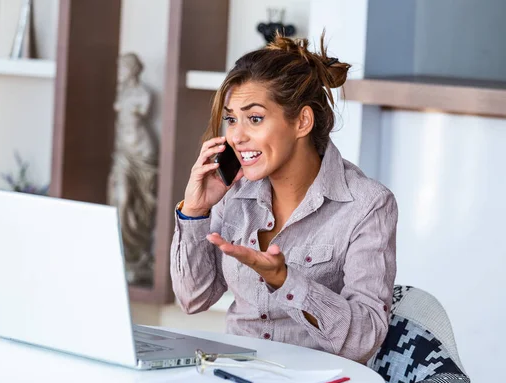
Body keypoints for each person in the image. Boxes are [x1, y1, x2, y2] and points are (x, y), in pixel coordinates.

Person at [169, 34, 398, 364]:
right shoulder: (232, 192)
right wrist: (195, 210)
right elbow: (193, 298)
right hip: (237, 379)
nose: (237, 135)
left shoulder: (367, 204)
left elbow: (365, 338)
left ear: (302, 121)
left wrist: (286, 280)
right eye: (232, 119)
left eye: (255, 118)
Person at [108, 53, 159, 284]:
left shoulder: (143, 95)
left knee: (142, 202)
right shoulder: (121, 92)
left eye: (122, 68)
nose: (119, 72)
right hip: (123, 153)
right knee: (122, 198)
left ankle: (138, 253)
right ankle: (124, 253)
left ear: (132, 70)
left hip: (143, 151)